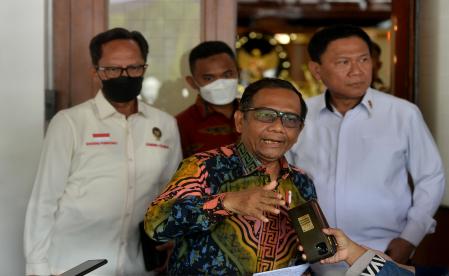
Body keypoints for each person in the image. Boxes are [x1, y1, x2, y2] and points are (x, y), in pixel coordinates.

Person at [144, 78, 413, 275]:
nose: (278, 128)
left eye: (290, 120)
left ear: (300, 130)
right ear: (240, 121)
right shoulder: (203, 166)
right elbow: (156, 226)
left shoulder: (300, 181)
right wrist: (227, 203)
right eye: (265, 115)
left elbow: (313, 250)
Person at [287, 24, 445, 273]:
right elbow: (287, 180)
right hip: (318, 255)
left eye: (363, 59)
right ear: (316, 70)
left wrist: (409, 239)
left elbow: (431, 177)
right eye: (343, 62)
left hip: (385, 253)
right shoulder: (300, 116)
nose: (357, 71)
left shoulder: (402, 114)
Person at [24, 28, 182, 275]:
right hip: (74, 265)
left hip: (137, 265)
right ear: (95, 71)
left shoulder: (165, 125)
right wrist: (36, 267)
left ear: (144, 68)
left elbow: (171, 195)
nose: (124, 75)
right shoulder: (69, 123)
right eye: (112, 69)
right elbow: (44, 200)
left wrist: (173, 238)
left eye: (134, 67)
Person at [176, 41, 240, 157]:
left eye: (227, 75)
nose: (220, 83)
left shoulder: (254, 114)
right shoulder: (180, 125)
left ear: (237, 72)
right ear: (192, 82)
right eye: (209, 78)